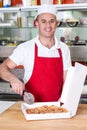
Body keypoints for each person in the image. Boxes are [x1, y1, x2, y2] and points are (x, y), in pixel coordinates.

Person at [0, 4, 71, 102]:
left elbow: (67, 80)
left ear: (56, 23)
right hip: (32, 107)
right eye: (43, 21)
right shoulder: (25, 48)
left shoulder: (64, 49)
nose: (48, 26)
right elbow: (3, 67)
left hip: (58, 107)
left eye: (51, 21)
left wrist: (65, 98)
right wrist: (13, 79)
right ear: (36, 23)